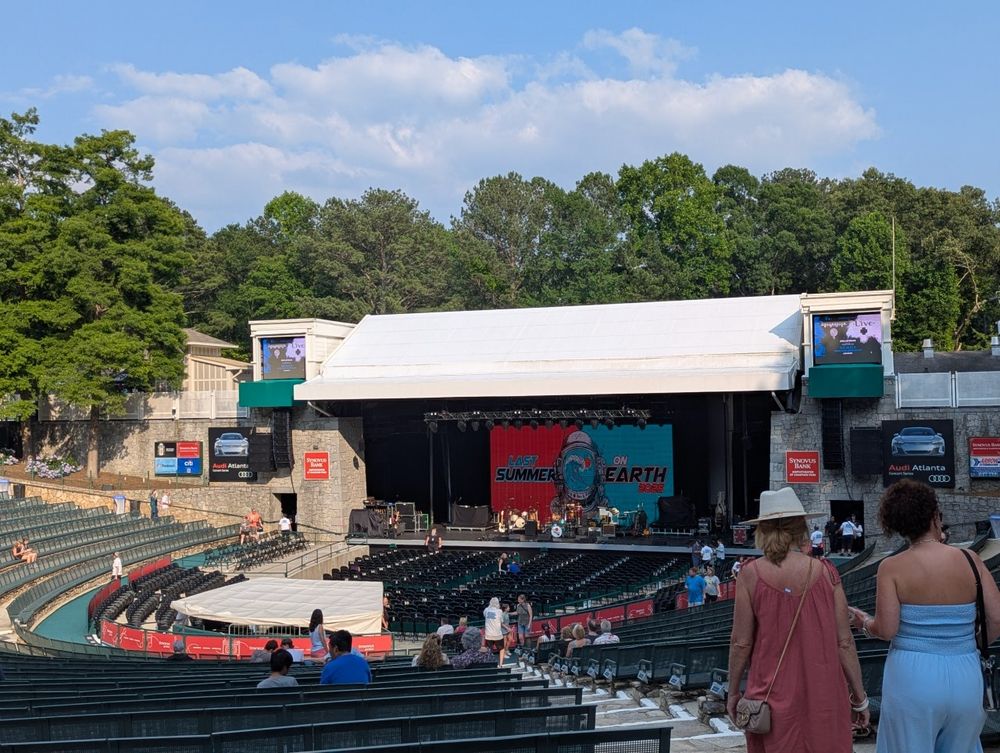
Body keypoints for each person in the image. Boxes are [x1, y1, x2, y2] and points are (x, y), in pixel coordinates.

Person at [847, 479, 1000, 753]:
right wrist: (970, 643)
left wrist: (864, 623)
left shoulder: (891, 567)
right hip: (966, 673)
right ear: (934, 516)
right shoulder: (970, 560)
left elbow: (888, 629)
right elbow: (997, 618)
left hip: (912, 676)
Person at [727, 488, 868, 752]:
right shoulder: (826, 572)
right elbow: (845, 642)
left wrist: (733, 691)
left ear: (762, 529)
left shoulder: (749, 575)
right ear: (800, 528)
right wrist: (859, 699)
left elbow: (741, 643)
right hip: (824, 696)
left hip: (769, 696)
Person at [483, 596, 506, 667]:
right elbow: (501, 621)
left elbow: (484, 616)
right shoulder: (499, 611)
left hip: (488, 634)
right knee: (501, 649)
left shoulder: (486, 610)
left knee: (489, 650)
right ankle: (501, 664)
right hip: (497, 635)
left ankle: (490, 664)